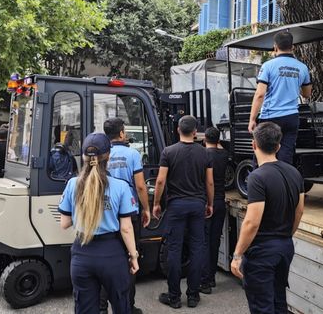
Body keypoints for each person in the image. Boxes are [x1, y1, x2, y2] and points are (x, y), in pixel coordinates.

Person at [59, 133, 139, 314]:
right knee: (121, 305)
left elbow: (64, 223)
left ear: (84, 157)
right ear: (108, 155)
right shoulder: (121, 186)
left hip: (82, 254)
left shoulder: (73, 184)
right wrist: (133, 256)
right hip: (112, 254)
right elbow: (126, 228)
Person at [231, 122, 305, 314]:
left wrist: (237, 255)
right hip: (285, 247)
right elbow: (299, 211)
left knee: (261, 306)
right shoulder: (295, 173)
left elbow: (252, 222)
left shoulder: (257, 177)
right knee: (279, 302)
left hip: (262, 252)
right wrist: (286, 236)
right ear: (278, 146)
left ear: (254, 145)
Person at [152, 115, 214, 309]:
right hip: (197, 205)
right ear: (195, 132)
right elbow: (209, 182)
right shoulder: (205, 153)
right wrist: (209, 203)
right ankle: (193, 295)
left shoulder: (168, 152)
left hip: (176, 206)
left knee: (174, 249)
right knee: (197, 248)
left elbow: (161, 181)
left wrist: (156, 203)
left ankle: (174, 297)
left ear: (178, 130)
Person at [99, 118, 151, 314]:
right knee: (131, 258)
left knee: (106, 260)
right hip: (128, 212)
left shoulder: (102, 154)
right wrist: (146, 209)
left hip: (105, 210)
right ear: (121, 133)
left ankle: (101, 307)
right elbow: (140, 186)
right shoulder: (132, 154)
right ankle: (127, 306)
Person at [248, 31, 312, 165]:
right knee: (286, 154)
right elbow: (306, 94)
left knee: (263, 153)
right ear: (292, 47)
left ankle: (261, 182)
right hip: (291, 117)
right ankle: (284, 183)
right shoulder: (302, 67)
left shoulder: (268, 66)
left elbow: (260, 94)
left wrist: (252, 119)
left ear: (275, 46)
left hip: (270, 117)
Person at [200, 127, 229, 294]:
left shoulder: (203, 155)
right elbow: (221, 148)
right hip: (220, 201)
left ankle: (204, 281)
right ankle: (211, 277)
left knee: (203, 242)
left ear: (205, 139)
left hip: (207, 202)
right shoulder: (224, 154)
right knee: (214, 240)